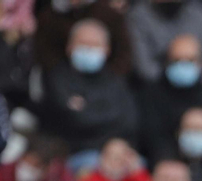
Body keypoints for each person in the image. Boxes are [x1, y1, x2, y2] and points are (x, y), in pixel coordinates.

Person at [41, 19, 139, 164]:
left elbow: (128, 121)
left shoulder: (115, 79)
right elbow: (73, 121)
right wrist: (103, 112)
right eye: (83, 44)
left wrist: (86, 108)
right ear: (69, 47)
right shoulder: (57, 78)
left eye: (94, 45)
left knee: (137, 165)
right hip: (74, 153)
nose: (88, 49)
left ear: (107, 49)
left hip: (114, 150)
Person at [138, 35, 202, 161]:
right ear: (166, 62)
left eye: (190, 60)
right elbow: (149, 137)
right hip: (163, 162)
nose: (183, 65)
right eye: (177, 60)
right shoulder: (150, 96)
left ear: (201, 63)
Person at [127, 0, 202, 91]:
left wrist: (199, 84)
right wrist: (170, 66)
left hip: (200, 88)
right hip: (157, 89)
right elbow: (145, 69)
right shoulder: (138, 15)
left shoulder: (196, 11)